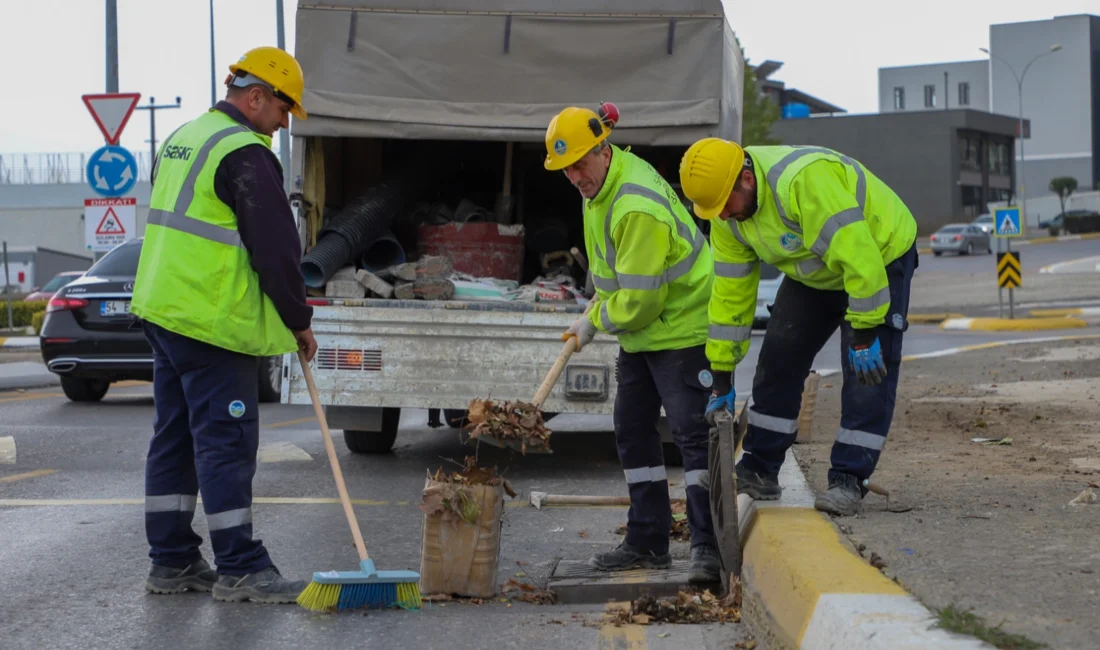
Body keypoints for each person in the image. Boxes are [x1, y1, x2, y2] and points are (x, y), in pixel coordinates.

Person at [131, 46, 318, 603]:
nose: (285, 122)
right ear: (255, 96)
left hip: (165, 313)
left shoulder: (185, 137)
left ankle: (172, 562)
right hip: (209, 322)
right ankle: (240, 567)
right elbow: (277, 249)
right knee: (226, 442)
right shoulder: (244, 152)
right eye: (284, 109)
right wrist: (298, 320)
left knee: (176, 439)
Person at [678, 138, 919, 516]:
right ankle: (760, 467)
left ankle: (848, 479)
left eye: (725, 204)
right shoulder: (725, 217)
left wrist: (865, 331)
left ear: (746, 177)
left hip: (879, 252)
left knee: (866, 372)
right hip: (816, 268)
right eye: (713, 210)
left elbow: (859, 257)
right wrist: (721, 376)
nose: (722, 215)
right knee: (779, 356)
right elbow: (730, 296)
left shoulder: (802, 183)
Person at [544, 104, 721, 582]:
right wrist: (596, 312)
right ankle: (647, 541)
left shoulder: (634, 204)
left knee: (691, 436)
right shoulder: (599, 186)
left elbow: (640, 301)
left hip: (682, 328)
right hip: (646, 333)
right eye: (566, 170)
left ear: (603, 150)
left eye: (581, 164)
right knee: (632, 427)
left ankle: (709, 548)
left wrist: (595, 319)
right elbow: (616, 272)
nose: (575, 177)